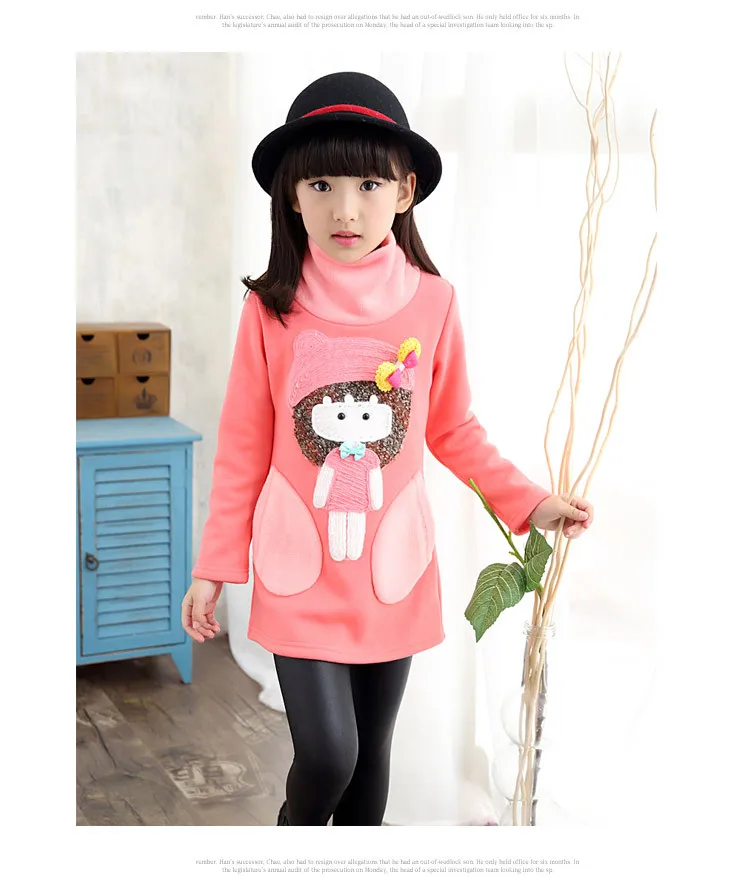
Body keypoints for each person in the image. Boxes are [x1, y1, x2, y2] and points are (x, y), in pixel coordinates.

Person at [181, 71, 594, 827]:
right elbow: (243, 445)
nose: (345, 208)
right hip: (299, 570)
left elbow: (452, 428)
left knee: (370, 770)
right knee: (328, 757)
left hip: (390, 573)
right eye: (321, 185)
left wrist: (531, 502)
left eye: (369, 184)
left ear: (405, 192)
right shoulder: (270, 308)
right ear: (291, 195)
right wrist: (214, 567)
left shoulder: (433, 302)